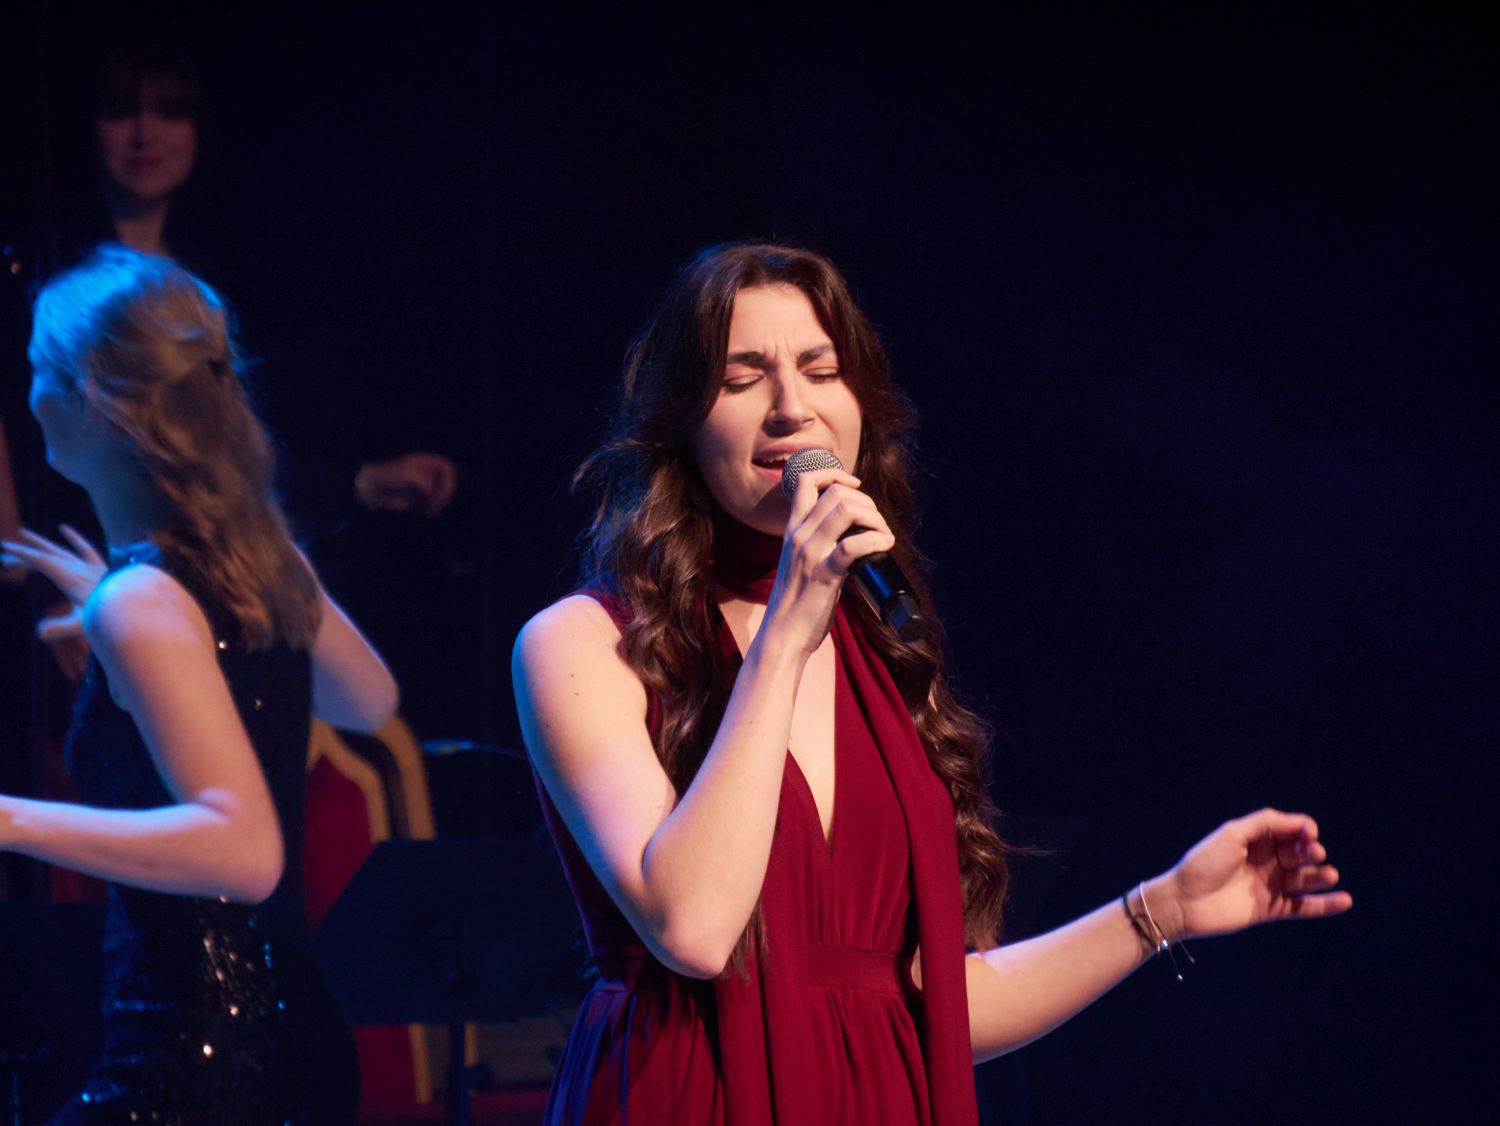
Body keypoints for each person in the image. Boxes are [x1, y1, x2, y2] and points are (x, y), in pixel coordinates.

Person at [512, 243, 1353, 1124]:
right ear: (681, 422)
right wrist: (785, 637)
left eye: (820, 371)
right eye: (742, 379)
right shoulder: (583, 644)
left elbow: (924, 1011)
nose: (792, 407)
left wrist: (1161, 910)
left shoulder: (879, 649)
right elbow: (694, 928)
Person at [0, 246, 397, 1124]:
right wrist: (145, 618)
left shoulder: (141, 600)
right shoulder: (240, 563)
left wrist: (11, 820)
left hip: (196, 1053)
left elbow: (243, 852)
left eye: (35, 371)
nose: (26, 399)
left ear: (92, 398)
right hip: (298, 1037)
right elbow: (365, 700)